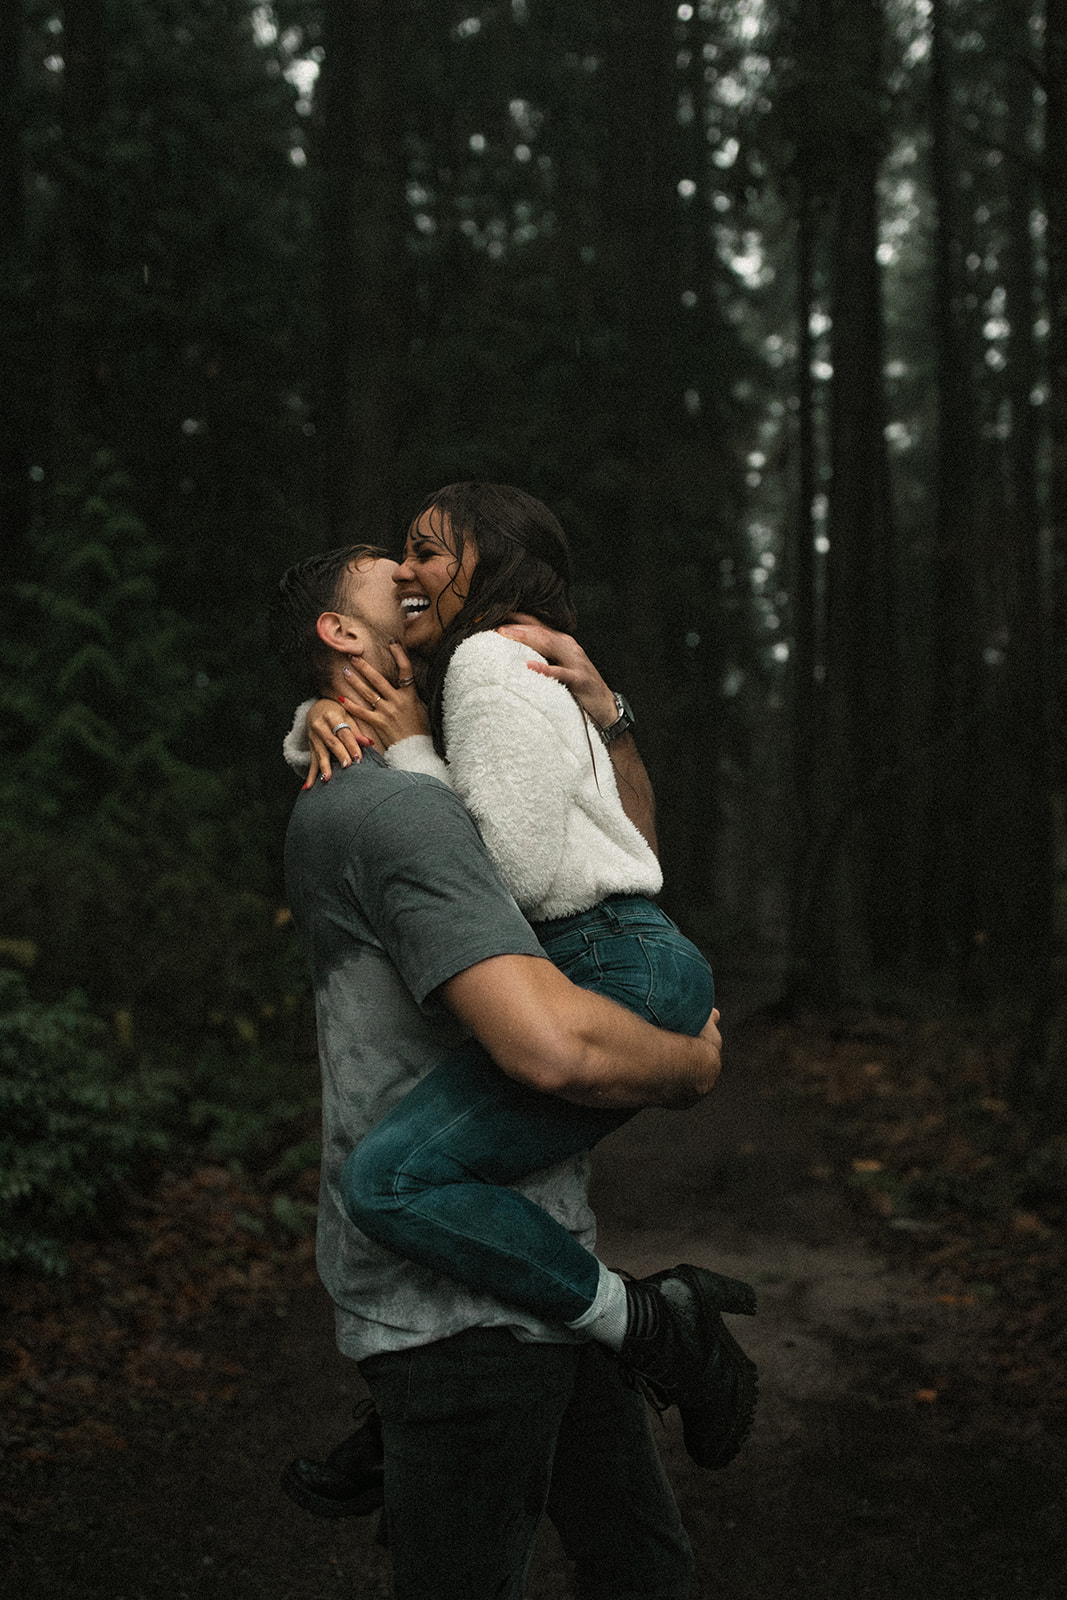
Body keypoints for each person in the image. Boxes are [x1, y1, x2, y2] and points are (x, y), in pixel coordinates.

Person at [271, 542, 735, 1597]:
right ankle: (650, 1323)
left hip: (540, 1277)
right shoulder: (393, 805)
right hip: (455, 1308)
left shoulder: (396, 767)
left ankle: (636, 1320)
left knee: (643, 1570)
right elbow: (546, 1041)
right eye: (388, 569)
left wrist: (607, 713)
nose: (413, 571)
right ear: (340, 634)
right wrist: (687, 1066)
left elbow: (617, 868)